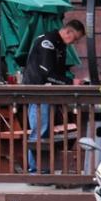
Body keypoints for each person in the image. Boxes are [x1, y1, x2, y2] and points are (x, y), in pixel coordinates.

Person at [21, 19, 85, 173]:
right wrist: (70, 83)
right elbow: (47, 73)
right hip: (38, 92)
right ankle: (34, 169)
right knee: (39, 130)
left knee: (44, 130)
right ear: (68, 32)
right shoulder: (48, 41)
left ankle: (41, 167)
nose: (74, 42)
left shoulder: (59, 45)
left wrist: (68, 83)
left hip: (48, 93)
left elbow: (57, 72)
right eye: (75, 38)